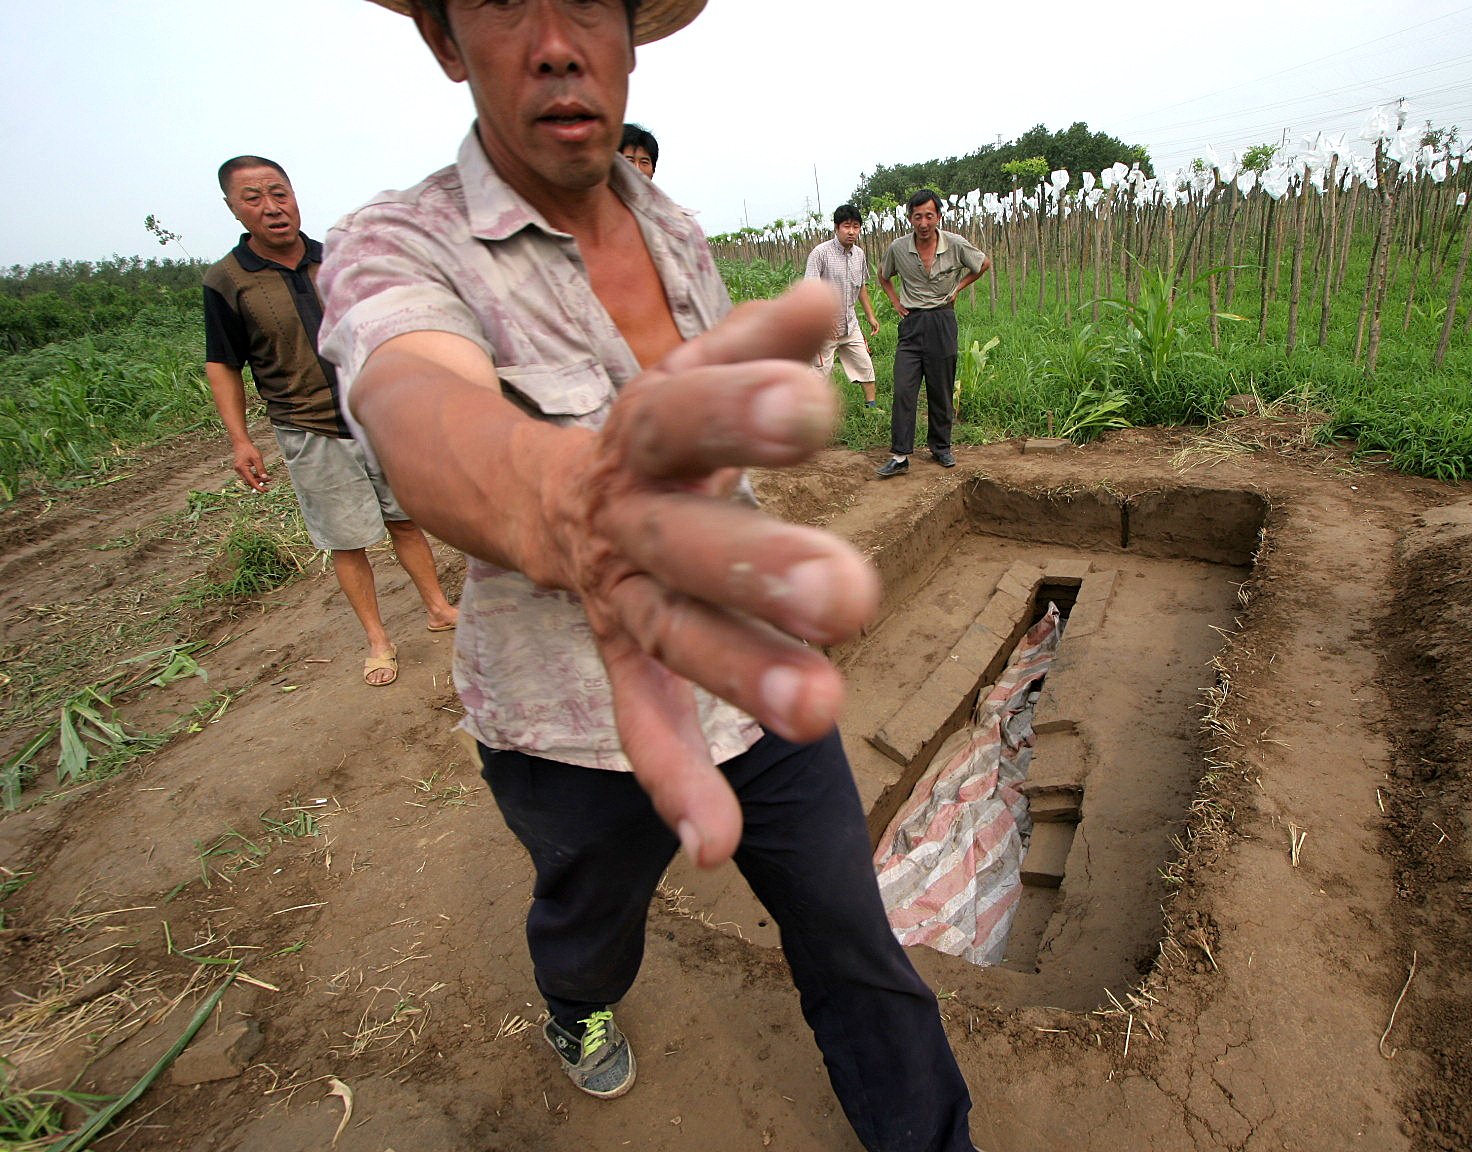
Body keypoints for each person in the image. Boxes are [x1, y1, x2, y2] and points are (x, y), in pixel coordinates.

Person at [321, 3, 976, 1149]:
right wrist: (562, 498)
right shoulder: (397, 243)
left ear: (631, 37)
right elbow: (412, 400)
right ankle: (575, 1003)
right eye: (502, 2)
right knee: (593, 921)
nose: (555, 40)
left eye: (588, 2)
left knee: (854, 942)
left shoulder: (672, 227)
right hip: (564, 725)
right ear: (442, 41)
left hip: (752, 682)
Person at [201, 155, 458, 687]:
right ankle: (378, 641)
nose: (272, 208)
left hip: (374, 416)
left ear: (294, 195)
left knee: (406, 518)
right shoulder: (227, 281)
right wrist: (240, 440)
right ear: (232, 208)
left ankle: (438, 608)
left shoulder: (335, 260)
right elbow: (223, 363)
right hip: (308, 425)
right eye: (254, 198)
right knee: (347, 539)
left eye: (279, 193)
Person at [875, 190, 991, 477]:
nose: (923, 222)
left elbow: (983, 264)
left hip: (942, 321)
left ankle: (941, 447)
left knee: (940, 388)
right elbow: (883, 276)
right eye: (918, 216)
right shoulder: (898, 248)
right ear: (910, 219)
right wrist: (895, 302)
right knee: (904, 389)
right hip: (912, 324)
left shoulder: (954, 244)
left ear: (938, 216)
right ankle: (900, 455)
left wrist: (958, 289)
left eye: (929, 215)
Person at [804, 203, 881, 408]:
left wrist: (871, 316)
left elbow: (861, 286)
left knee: (865, 364)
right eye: (847, 226)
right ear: (836, 228)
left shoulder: (859, 255)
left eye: (856, 227)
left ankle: (871, 408)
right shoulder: (820, 253)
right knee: (820, 373)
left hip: (850, 324)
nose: (851, 231)